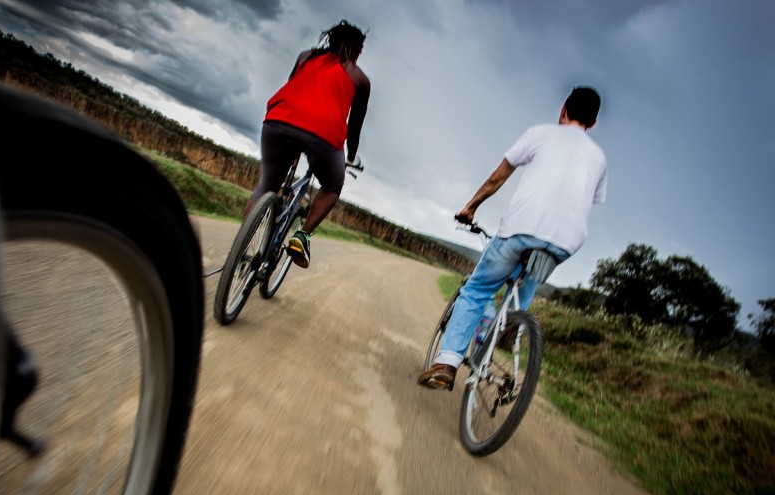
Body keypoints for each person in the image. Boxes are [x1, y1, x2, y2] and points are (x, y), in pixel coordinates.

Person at [418, 85, 608, 390]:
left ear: (563, 109)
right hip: (563, 244)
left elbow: (498, 178)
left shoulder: (539, 134)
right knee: (519, 296)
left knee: (478, 289)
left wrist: (470, 207)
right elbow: (588, 198)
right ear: (593, 123)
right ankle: (507, 329)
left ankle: (448, 362)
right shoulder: (599, 158)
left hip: (521, 230)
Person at [245, 19, 371, 269]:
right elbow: (354, 128)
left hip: (278, 120)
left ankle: (243, 246)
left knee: (267, 184)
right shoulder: (360, 79)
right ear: (357, 49)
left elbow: (294, 86)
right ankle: (301, 237)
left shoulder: (306, 56)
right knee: (333, 185)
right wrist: (350, 157)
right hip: (323, 135)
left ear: (331, 39)